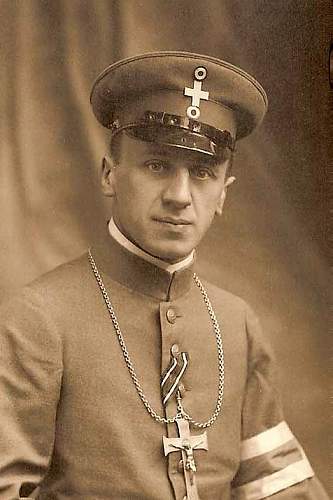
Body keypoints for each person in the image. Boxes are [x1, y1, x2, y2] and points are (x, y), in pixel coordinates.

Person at [0, 51, 328, 500]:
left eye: (202, 173)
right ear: (110, 174)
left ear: (223, 194)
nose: (179, 196)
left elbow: (279, 487)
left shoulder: (237, 325)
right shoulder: (39, 319)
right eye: (156, 166)